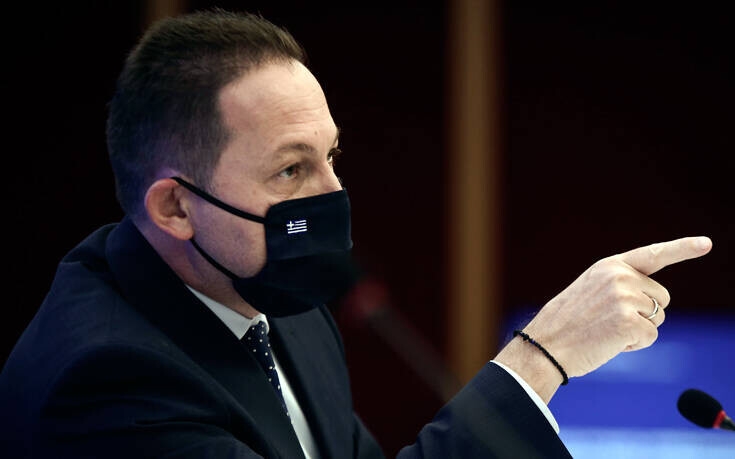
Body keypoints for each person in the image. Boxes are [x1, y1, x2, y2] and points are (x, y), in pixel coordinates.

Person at [0, 8, 712, 458]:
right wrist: (540, 357)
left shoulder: (279, 299)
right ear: (176, 208)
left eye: (331, 157)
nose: (332, 196)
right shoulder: (106, 381)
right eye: (290, 170)